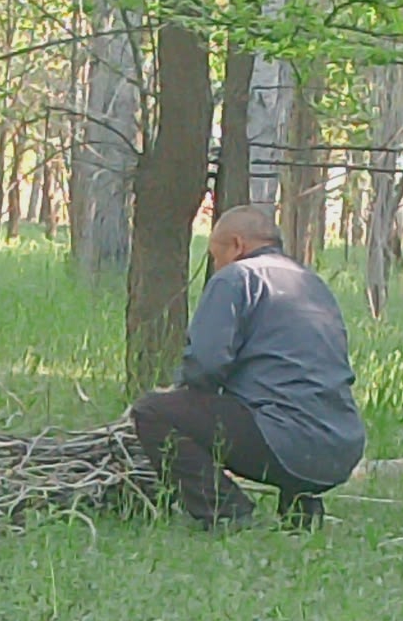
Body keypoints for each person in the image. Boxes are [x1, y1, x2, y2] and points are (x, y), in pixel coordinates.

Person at [131, 206, 366, 530]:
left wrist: (178, 394)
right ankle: (301, 515)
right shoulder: (311, 283)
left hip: (286, 442)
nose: (216, 265)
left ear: (237, 245)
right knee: (286, 399)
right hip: (341, 445)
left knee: (152, 411)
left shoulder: (236, 277)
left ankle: (226, 513)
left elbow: (206, 363)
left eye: (216, 256)